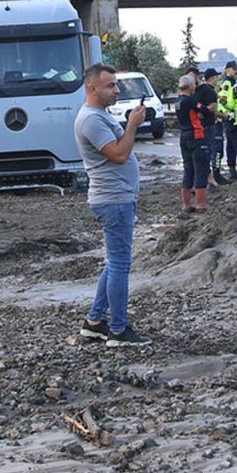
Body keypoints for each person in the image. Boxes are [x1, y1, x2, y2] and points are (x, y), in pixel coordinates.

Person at [74, 63, 151, 347]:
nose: (116, 90)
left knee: (114, 263)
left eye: (116, 85)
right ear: (92, 88)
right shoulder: (91, 120)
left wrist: (130, 125)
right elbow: (118, 155)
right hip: (113, 200)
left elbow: (120, 148)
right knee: (119, 265)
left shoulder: (100, 115)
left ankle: (94, 323)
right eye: (110, 86)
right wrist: (132, 124)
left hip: (118, 198)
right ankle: (118, 331)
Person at [177, 74, 216, 213]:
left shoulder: (178, 101)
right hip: (196, 136)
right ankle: (201, 204)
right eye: (194, 84)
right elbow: (204, 110)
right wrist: (210, 108)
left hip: (184, 137)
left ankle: (186, 204)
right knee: (201, 169)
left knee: (188, 171)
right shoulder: (189, 101)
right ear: (190, 86)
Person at [198, 68, 229, 186]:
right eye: (216, 77)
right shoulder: (209, 91)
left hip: (203, 125)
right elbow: (212, 110)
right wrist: (225, 116)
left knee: (206, 151)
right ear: (212, 78)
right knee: (216, 150)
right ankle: (215, 175)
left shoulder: (201, 90)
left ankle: (209, 175)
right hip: (212, 125)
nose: (217, 80)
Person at [218, 61, 237, 179]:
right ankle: (232, 168)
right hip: (230, 116)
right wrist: (226, 112)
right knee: (233, 143)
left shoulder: (233, 81)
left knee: (233, 143)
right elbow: (222, 98)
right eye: (233, 69)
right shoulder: (227, 82)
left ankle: (233, 168)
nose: (235, 71)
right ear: (228, 69)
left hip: (233, 115)